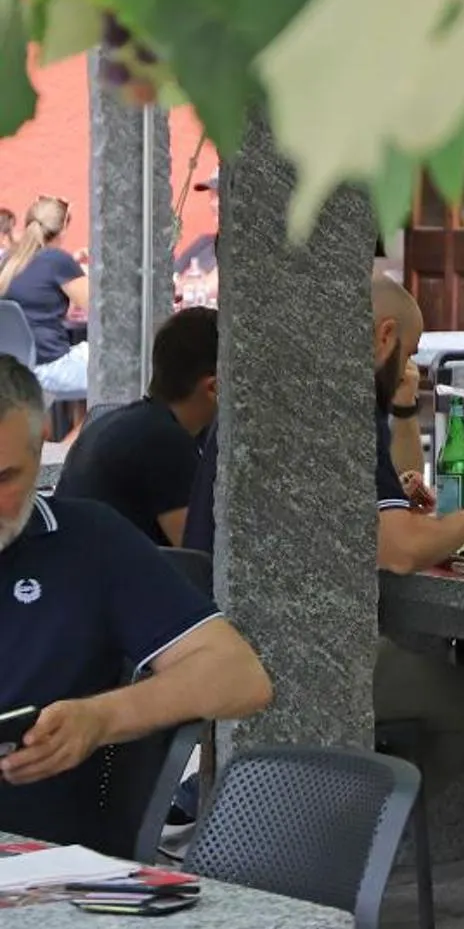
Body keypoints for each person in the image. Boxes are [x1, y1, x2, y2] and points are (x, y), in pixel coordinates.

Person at [0, 354, 273, 848]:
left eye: (3, 479)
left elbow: (239, 675)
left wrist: (100, 719)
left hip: (44, 867)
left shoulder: (88, 543)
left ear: (42, 451)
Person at [364, 277, 464, 790]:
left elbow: (388, 515)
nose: (405, 368)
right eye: (405, 352)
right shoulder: (348, 414)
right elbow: (402, 551)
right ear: (385, 336)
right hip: (324, 654)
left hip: (237, 635)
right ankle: (369, 815)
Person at [52, 307, 220, 547]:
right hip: (101, 579)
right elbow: (199, 555)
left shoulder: (115, 421)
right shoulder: (165, 442)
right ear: (212, 388)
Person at [0, 195, 88, 402]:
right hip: (50, 369)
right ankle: (78, 435)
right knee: (123, 370)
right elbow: (101, 310)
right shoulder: (58, 260)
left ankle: (73, 433)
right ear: (63, 229)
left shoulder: (8, 261)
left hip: (15, 370)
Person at [174, 172, 219, 308]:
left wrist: (184, 284)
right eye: (212, 195)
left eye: (220, 195)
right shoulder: (203, 242)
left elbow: (211, 287)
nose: (213, 203)